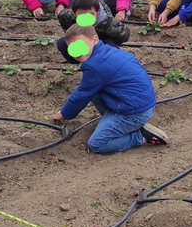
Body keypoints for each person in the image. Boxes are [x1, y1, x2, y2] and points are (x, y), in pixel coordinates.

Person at [52, 25, 169, 154]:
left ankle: (139, 137)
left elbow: (81, 95)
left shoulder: (95, 65)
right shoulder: (106, 51)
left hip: (134, 112)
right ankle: (118, 124)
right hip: (140, 103)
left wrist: (63, 114)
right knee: (94, 93)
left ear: (95, 39)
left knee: (96, 144)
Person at [56, 0, 131, 63]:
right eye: (81, 15)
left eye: (91, 14)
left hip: (100, 43)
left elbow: (124, 34)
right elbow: (62, 18)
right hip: (82, 39)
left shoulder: (106, 21)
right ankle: (79, 59)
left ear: (97, 11)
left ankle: (102, 63)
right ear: (74, 13)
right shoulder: (68, 16)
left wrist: (110, 32)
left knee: (112, 48)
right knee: (62, 43)